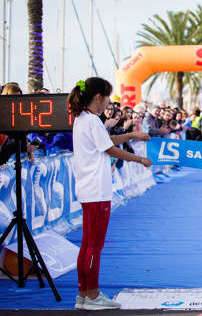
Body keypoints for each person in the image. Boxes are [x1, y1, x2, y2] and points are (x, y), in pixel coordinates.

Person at [69, 77, 152, 310]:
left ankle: (84, 294)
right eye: (107, 98)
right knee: (94, 245)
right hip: (97, 191)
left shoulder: (82, 119)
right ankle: (93, 295)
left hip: (88, 190)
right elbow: (111, 149)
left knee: (87, 245)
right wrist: (140, 159)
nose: (108, 103)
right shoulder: (93, 121)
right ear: (99, 97)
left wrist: (133, 136)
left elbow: (106, 141)